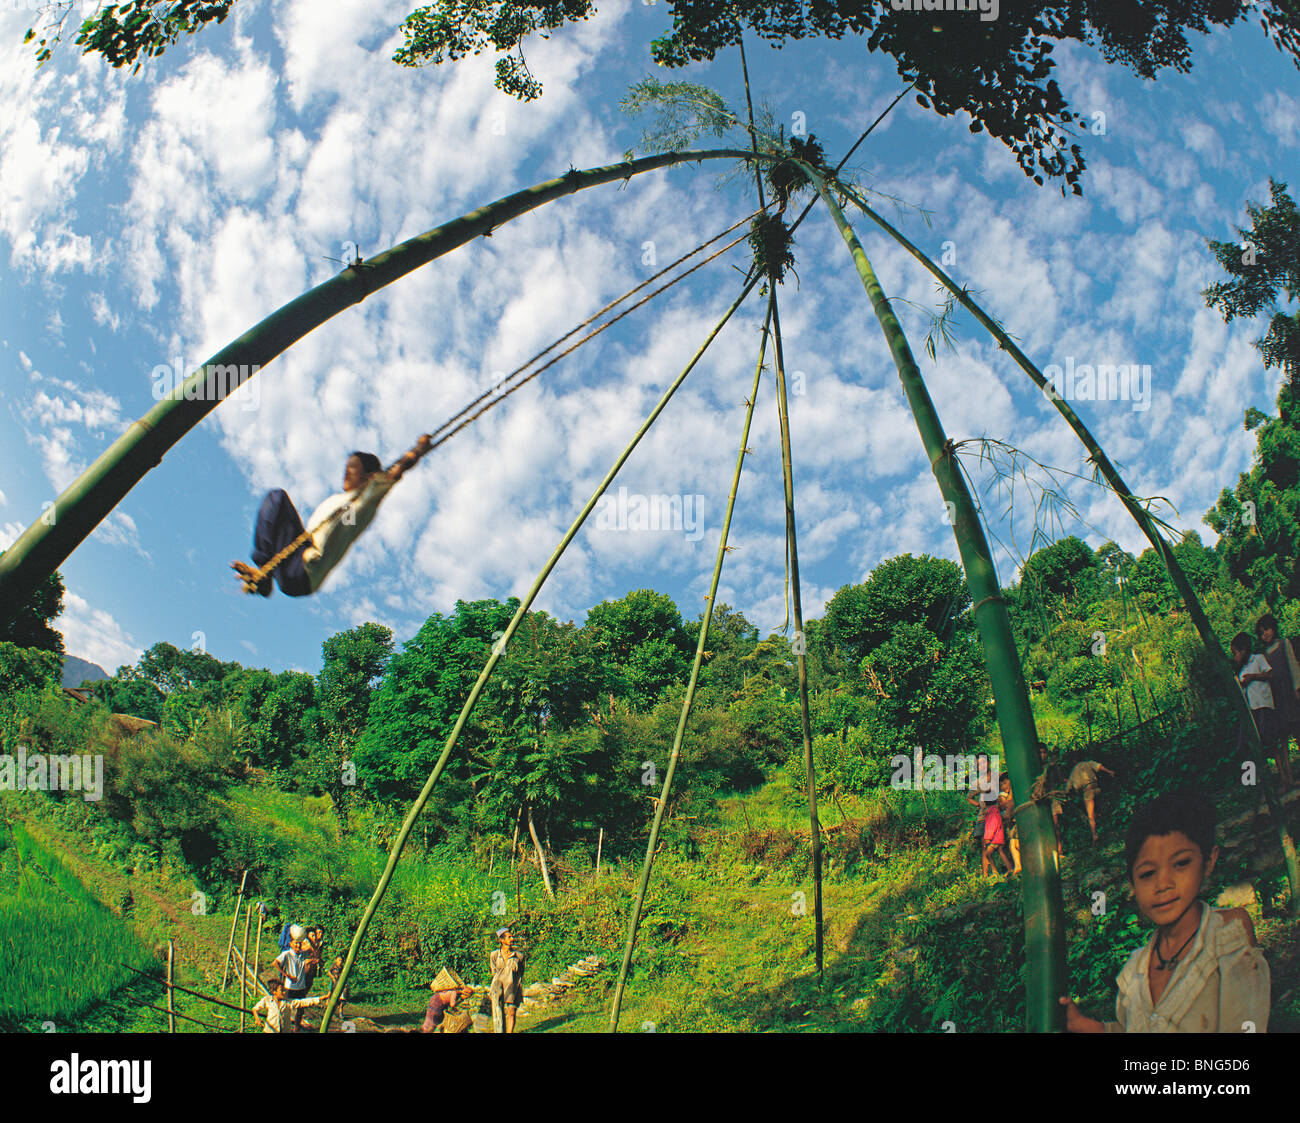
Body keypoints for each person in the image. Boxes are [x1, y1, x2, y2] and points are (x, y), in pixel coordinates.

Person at [1061, 790, 1270, 1032]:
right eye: (1147, 874)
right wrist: (1085, 1025)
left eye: (1181, 863)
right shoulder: (1134, 971)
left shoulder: (1226, 935)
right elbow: (1132, 1028)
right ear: (1133, 884)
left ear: (1208, 861)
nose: (1163, 885)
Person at [231, 437, 431, 597]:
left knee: (278, 497)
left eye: (353, 468)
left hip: (304, 571)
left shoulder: (365, 498)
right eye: (346, 467)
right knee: (274, 499)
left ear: (369, 476)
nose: (346, 472)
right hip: (295, 562)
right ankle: (264, 570)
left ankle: (263, 569)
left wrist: (419, 449)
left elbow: (396, 471)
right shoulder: (340, 501)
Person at [1231, 631, 1286, 790]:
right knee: (1249, 747)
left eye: (1235, 653)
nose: (1235, 657)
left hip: (1264, 707)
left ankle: (1283, 778)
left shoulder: (1258, 659)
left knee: (1271, 743)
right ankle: (1255, 785)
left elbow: (1270, 674)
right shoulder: (1241, 670)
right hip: (1251, 711)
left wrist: (1253, 677)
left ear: (1243, 650)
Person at [1255, 615, 1297, 788]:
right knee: (1285, 734)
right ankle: (1288, 776)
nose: (1265, 634)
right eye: (1261, 632)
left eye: (1267, 629)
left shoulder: (1283, 644)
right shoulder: (1264, 655)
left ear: (1274, 628)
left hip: (1291, 692)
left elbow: (1293, 666)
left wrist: (1297, 688)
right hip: (1278, 698)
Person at [968, 768, 1013, 878]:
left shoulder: (991, 811)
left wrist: (988, 837)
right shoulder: (993, 810)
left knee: (988, 853)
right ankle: (1007, 869)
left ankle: (998, 871)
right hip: (997, 836)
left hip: (995, 837)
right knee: (1001, 852)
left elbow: (992, 825)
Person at [1067, 757, 1115, 844]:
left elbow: (1068, 788)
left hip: (1087, 792)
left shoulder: (1073, 772)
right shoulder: (1088, 763)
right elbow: (1099, 766)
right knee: (1100, 810)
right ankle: (1108, 828)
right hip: (1096, 788)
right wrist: (1109, 771)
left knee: (1091, 816)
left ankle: (1094, 835)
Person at [488, 927, 526, 1033]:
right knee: (498, 1011)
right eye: (509, 937)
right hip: (498, 986)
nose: (512, 939)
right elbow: (493, 971)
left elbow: (521, 972)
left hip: (512, 986)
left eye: (512, 936)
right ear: (501, 940)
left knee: (511, 1011)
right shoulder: (495, 955)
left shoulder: (519, 956)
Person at [252, 982, 326, 1034]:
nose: (284, 992)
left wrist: (321, 998)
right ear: (274, 992)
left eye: (284, 990)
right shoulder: (267, 1000)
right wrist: (257, 1019)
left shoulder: (288, 1002)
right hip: (270, 1031)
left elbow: (302, 1002)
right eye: (281, 991)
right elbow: (255, 1009)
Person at [422, 969, 474, 1034]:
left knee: (430, 1020)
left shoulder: (451, 989)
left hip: (435, 1001)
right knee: (432, 1024)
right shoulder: (454, 991)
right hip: (437, 1004)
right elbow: (452, 1004)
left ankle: (426, 1029)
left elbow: (459, 998)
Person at [999, 773, 1021, 875]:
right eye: (1001, 785)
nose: (1003, 787)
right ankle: (1017, 866)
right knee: (1013, 844)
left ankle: (1018, 865)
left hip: (1016, 820)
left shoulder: (1014, 792)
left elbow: (1010, 806)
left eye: (1005, 783)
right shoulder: (1006, 796)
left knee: (1015, 844)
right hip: (1011, 822)